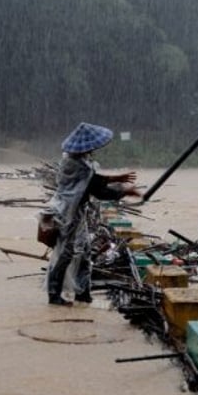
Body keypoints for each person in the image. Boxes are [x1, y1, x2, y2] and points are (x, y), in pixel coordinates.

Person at [43, 122, 140, 306]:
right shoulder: (74, 164)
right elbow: (98, 190)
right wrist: (123, 189)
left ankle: (82, 292)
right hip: (66, 213)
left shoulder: (78, 161)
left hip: (76, 211)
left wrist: (118, 182)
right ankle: (54, 294)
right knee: (66, 253)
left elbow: (94, 182)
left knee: (85, 251)